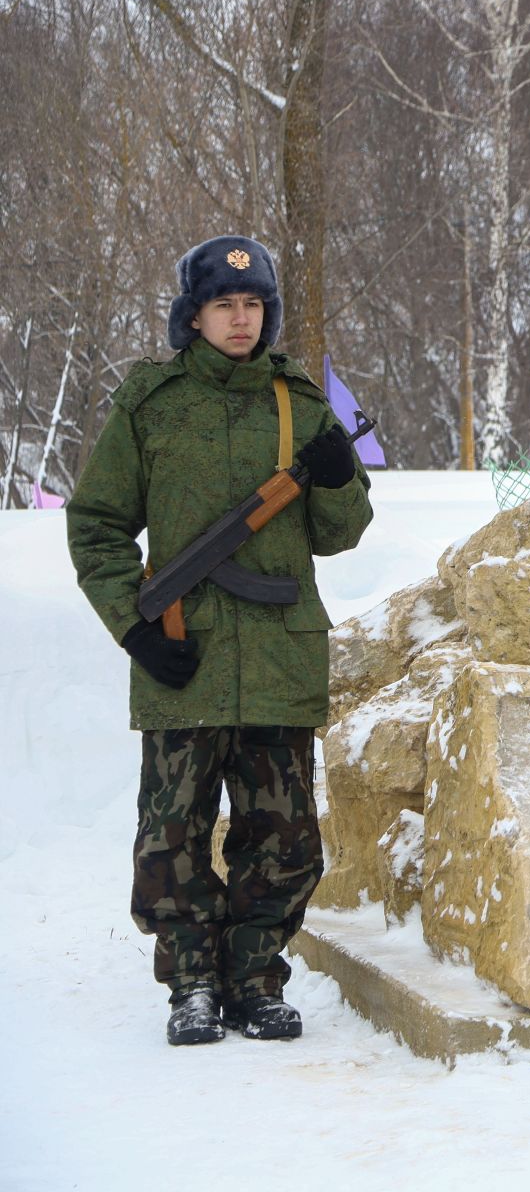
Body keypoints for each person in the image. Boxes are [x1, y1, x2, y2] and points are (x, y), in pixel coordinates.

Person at [67, 235, 373, 1044]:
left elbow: (342, 533)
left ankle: (257, 981)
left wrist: (340, 479)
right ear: (193, 315)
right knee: (171, 840)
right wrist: (132, 625)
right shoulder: (152, 403)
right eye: (224, 306)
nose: (241, 320)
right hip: (184, 655)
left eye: (254, 306)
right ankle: (192, 987)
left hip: (278, 654)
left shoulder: (300, 402)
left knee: (284, 839)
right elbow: (97, 525)